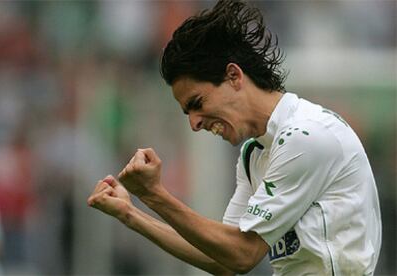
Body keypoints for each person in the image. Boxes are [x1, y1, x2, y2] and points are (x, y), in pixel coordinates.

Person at [87, 0, 382, 275]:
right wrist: (130, 214)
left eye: (197, 103)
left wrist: (153, 194)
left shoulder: (305, 137)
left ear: (234, 76)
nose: (194, 124)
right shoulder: (254, 152)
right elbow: (223, 258)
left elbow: (242, 254)